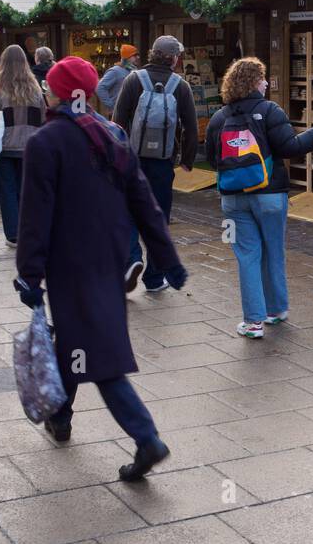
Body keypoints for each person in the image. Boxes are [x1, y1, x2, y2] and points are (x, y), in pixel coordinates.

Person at [15, 55, 187, 481]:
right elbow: (145, 204)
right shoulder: (112, 135)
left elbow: (35, 215)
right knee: (76, 340)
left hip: (69, 265)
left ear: (56, 91)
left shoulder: (46, 142)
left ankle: (146, 438)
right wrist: (166, 259)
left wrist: (29, 274)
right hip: (110, 259)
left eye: (48, 85)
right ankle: (61, 416)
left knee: (100, 357)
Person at [204, 57, 313, 337]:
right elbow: (289, 148)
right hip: (270, 195)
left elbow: (212, 159)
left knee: (247, 256)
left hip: (233, 198)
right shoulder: (270, 111)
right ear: (253, 81)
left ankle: (253, 323)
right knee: (273, 251)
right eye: (262, 78)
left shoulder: (219, 117)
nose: (266, 82)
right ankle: (275, 310)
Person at [112, 35, 198, 292]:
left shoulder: (132, 79)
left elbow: (117, 121)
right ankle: (153, 278)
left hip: (132, 161)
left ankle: (132, 259)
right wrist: (187, 160)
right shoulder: (181, 86)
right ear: (172, 58)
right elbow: (191, 128)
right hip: (162, 162)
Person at [0, 44, 46, 246]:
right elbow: (44, 117)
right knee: (25, 190)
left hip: (3, 146)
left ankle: (13, 234)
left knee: (7, 190)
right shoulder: (35, 88)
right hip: (30, 146)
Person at [95, 45, 138, 116]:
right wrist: (112, 106)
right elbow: (99, 88)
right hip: (118, 115)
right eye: (134, 55)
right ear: (127, 58)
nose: (138, 57)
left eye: (137, 55)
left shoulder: (134, 70)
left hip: (131, 113)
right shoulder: (115, 71)